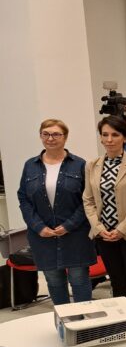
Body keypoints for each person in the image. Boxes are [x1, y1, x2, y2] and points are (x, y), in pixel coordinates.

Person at [17, 119, 95, 305]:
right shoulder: (30, 165)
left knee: (79, 279)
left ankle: (85, 320)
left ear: (65, 137)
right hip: (42, 237)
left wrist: (69, 225)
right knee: (53, 281)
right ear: (40, 136)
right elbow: (23, 198)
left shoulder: (79, 164)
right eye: (46, 134)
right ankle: (64, 319)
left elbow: (88, 199)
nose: (50, 138)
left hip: (75, 234)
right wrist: (38, 226)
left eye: (56, 134)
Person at [83, 116, 126, 309]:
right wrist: (98, 228)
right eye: (105, 135)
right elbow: (88, 200)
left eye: (115, 135)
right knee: (116, 281)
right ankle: (123, 318)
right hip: (104, 234)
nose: (109, 139)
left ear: (125, 137)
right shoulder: (92, 165)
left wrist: (122, 230)